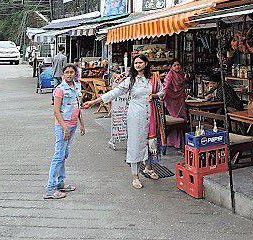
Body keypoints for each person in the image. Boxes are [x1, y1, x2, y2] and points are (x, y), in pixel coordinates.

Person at [83, 54, 164, 189]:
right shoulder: (130, 80)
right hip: (136, 115)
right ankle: (135, 176)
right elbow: (114, 93)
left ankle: (148, 167)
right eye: (135, 63)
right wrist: (94, 101)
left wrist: (155, 95)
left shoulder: (153, 79)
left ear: (146, 63)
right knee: (135, 144)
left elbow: (162, 92)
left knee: (151, 142)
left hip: (151, 114)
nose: (137, 65)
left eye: (140, 62)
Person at [43, 64, 85, 199]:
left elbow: (77, 106)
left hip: (72, 126)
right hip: (63, 126)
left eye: (72, 72)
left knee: (64, 155)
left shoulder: (77, 87)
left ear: (75, 74)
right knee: (58, 155)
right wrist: (64, 128)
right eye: (66, 72)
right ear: (62, 74)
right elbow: (56, 111)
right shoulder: (59, 90)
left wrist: (82, 124)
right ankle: (50, 188)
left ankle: (60, 183)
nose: (69, 75)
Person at [163, 59, 188, 149]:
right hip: (171, 101)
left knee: (182, 119)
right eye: (175, 65)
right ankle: (173, 142)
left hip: (180, 100)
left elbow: (182, 86)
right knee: (176, 120)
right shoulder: (170, 75)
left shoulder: (181, 74)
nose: (177, 67)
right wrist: (162, 96)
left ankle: (179, 142)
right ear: (171, 67)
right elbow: (166, 87)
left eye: (178, 65)